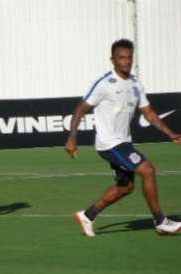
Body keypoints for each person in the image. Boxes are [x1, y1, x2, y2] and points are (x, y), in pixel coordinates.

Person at [65, 39, 181, 236]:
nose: (126, 61)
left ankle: (88, 215)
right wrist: (71, 138)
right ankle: (160, 221)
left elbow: (149, 113)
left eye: (129, 57)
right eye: (121, 58)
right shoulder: (103, 83)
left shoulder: (135, 84)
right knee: (147, 170)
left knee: (125, 187)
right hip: (109, 144)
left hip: (123, 142)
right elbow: (80, 109)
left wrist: (170, 134)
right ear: (113, 60)